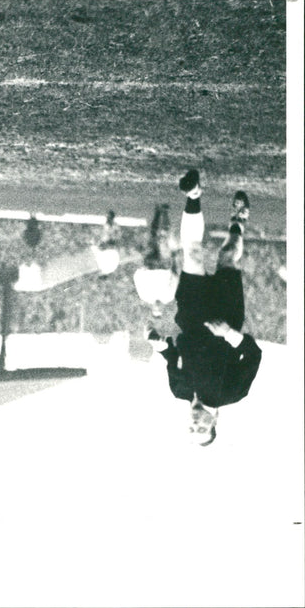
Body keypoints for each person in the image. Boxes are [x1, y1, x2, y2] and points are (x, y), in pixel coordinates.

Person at [145, 170, 262, 446]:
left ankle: (193, 195)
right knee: (227, 256)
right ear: (215, 423)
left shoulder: (179, 389)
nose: (195, 424)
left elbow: (172, 356)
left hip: (192, 314)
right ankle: (238, 223)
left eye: (191, 429)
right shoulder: (232, 394)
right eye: (202, 430)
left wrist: (158, 344)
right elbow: (254, 355)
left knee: (192, 254)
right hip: (226, 316)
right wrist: (229, 334)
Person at [133, 203, 182, 317]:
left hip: (149, 264)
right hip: (163, 264)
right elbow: (175, 278)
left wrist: (141, 269)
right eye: (159, 310)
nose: (157, 307)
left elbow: (138, 280)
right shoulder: (169, 296)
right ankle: (164, 212)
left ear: (152, 308)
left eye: (156, 309)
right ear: (162, 309)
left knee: (153, 236)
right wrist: (174, 262)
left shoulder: (145, 296)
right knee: (163, 238)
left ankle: (157, 212)